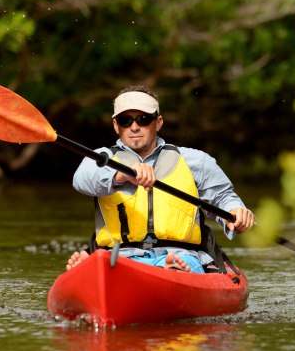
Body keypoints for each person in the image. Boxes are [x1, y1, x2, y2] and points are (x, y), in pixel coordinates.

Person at [66, 85, 255, 273]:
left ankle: (171, 269)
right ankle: (97, 268)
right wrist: (121, 175)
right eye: (126, 120)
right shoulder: (101, 159)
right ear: (116, 125)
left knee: (181, 263)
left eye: (143, 119)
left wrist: (235, 212)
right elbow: (81, 180)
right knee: (109, 262)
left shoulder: (195, 160)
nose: (134, 127)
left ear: (158, 122)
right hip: (120, 257)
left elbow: (223, 198)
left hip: (181, 254)